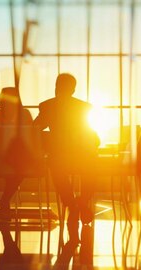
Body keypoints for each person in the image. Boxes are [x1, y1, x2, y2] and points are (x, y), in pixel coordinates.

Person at [33, 73, 99, 243]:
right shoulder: (84, 107)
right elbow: (91, 135)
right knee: (92, 168)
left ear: (56, 86)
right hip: (83, 157)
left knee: (56, 168)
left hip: (60, 158)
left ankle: (72, 205)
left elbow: (35, 129)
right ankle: (83, 202)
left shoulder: (47, 106)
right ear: (73, 89)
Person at [0, 87, 33, 211]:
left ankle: (5, 199)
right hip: (11, 154)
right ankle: (5, 199)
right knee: (19, 167)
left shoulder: (21, 113)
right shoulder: (1, 113)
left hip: (17, 154)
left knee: (17, 166)